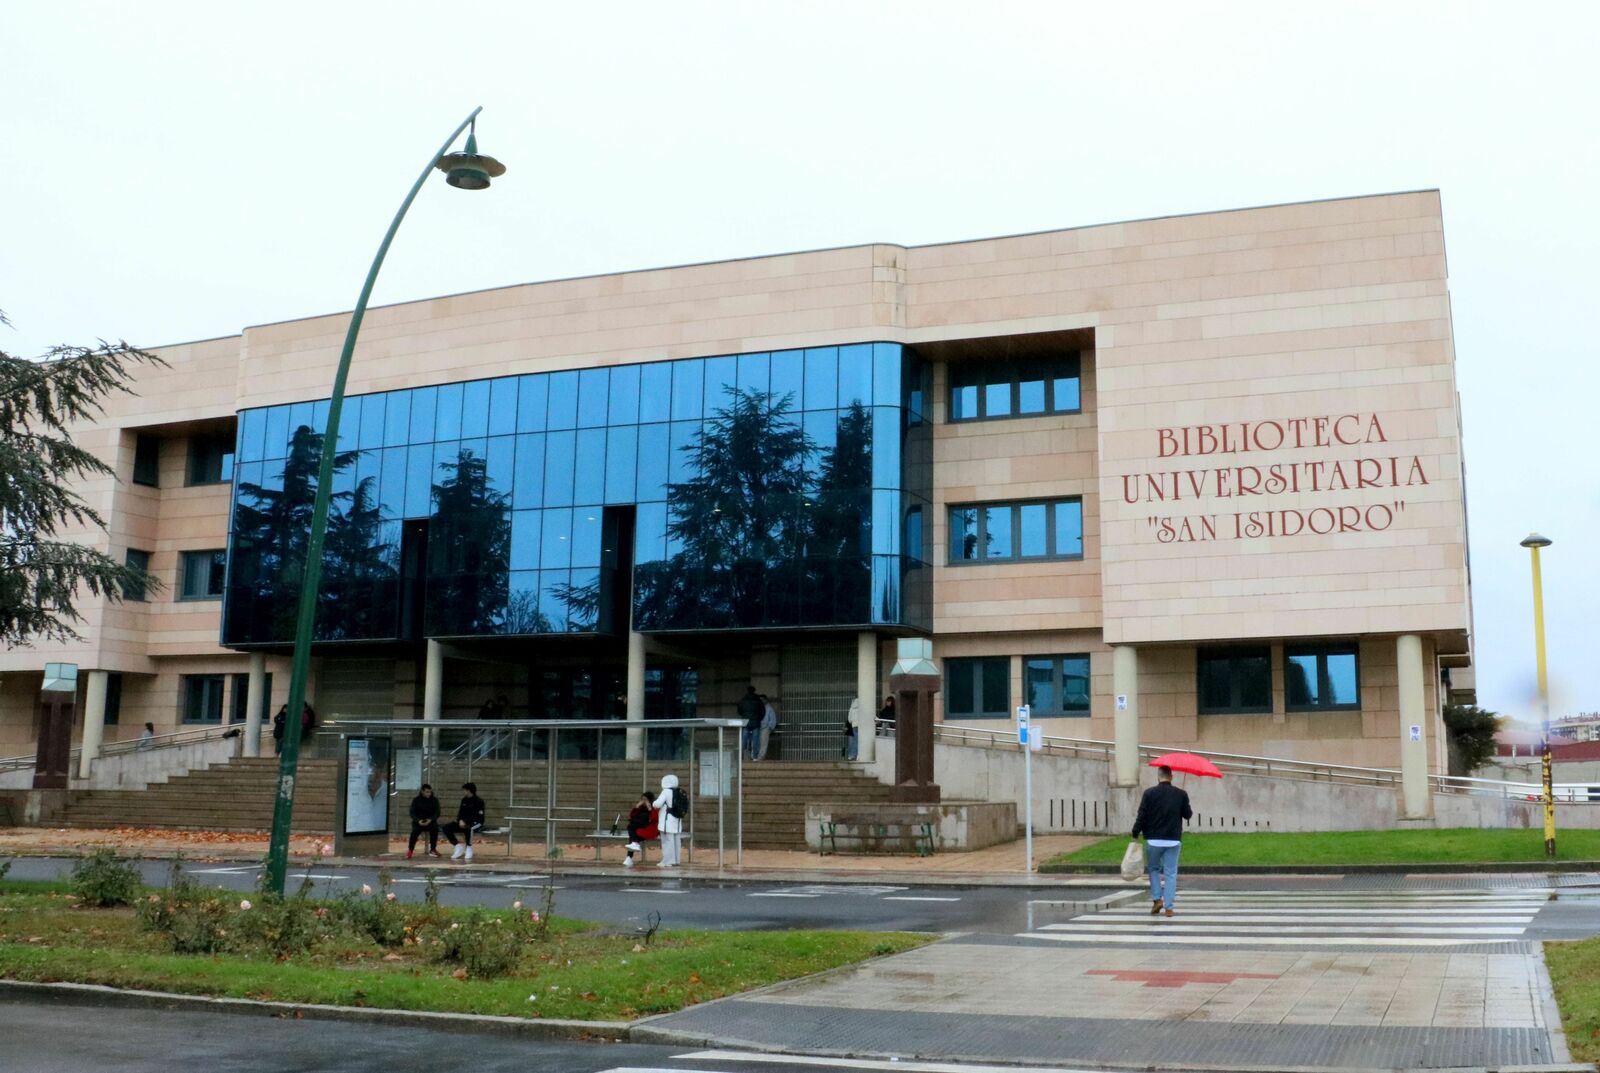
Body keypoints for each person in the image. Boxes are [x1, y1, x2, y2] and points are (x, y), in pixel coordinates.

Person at [1131, 765, 1192, 918]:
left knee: (1153, 870)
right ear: (1171, 777)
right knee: (1171, 873)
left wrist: (1135, 831)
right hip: (1173, 840)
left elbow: (1142, 814)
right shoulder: (1181, 794)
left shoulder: (1149, 793)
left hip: (1153, 840)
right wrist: (1183, 801)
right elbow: (1187, 815)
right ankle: (1169, 907)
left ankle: (1157, 899)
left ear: (1158, 777)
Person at [442, 782, 486, 862]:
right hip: (463, 822)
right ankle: (458, 846)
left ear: (469, 791)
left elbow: (478, 816)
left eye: (464, 790)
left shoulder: (479, 801)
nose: (463, 792)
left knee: (469, 828)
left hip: (476, 823)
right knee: (446, 827)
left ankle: (469, 848)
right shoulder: (464, 800)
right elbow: (460, 813)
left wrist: (465, 821)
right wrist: (460, 820)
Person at [652, 773, 684, 868]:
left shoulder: (666, 791)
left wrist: (653, 802)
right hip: (677, 820)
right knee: (676, 841)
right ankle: (676, 860)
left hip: (667, 821)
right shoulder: (679, 791)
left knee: (667, 841)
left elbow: (657, 804)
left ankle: (668, 861)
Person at [622, 792, 658, 868]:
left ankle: (629, 857)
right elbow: (632, 816)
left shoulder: (654, 807)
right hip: (638, 828)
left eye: (645, 799)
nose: (644, 801)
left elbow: (654, 819)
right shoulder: (640, 808)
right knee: (633, 836)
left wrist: (649, 808)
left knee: (631, 829)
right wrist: (637, 807)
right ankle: (630, 855)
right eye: (642, 799)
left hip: (648, 828)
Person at [407, 784, 441, 858]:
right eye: (427, 792)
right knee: (414, 832)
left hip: (430, 821)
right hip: (418, 822)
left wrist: (431, 819)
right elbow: (412, 812)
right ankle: (410, 850)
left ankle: (433, 849)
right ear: (422, 791)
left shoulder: (434, 800)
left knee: (435, 829)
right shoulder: (416, 800)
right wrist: (418, 820)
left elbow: (437, 812)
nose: (429, 794)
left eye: (430, 792)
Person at [737, 685, 764, 761]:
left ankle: (741, 756)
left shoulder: (743, 700)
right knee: (755, 740)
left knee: (744, 739)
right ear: (754, 691)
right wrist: (759, 719)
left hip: (745, 722)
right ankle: (755, 756)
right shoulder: (758, 700)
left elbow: (739, 711)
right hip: (756, 722)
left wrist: (744, 716)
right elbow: (763, 712)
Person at [757, 694, 779, 761]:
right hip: (758, 727)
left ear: (766, 700)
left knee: (764, 743)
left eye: (763, 700)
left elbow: (773, 719)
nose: (761, 701)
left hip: (765, 728)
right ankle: (757, 755)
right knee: (758, 742)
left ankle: (761, 756)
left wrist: (770, 727)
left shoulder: (769, 708)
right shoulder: (758, 707)